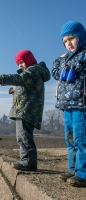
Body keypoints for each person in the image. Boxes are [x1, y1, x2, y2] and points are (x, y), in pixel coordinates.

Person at [0, 50, 51, 171]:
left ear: (29, 60)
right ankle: (27, 160)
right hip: (28, 110)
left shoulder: (32, 71)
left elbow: (20, 79)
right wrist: (14, 91)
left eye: (22, 62)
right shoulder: (34, 72)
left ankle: (28, 161)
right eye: (18, 64)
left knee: (23, 136)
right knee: (23, 135)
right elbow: (27, 88)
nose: (20, 65)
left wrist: (2, 79)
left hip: (26, 110)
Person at [52, 21, 86, 187]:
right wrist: (59, 60)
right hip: (67, 105)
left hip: (81, 104)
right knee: (70, 139)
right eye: (65, 41)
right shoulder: (66, 59)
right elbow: (56, 74)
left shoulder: (84, 55)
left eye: (71, 39)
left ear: (80, 37)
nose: (68, 43)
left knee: (82, 138)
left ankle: (83, 173)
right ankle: (72, 169)